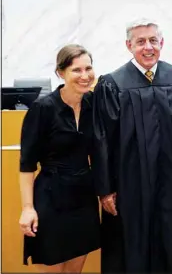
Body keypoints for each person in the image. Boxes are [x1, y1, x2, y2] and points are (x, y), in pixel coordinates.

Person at [92, 19, 172, 273]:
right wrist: (105, 190)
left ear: (161, 43)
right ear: (129, 45)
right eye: (140, 42)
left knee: (171, 236)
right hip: (130, 186)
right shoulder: (112, 84)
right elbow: (101, 139)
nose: (148, 47)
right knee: (131, 243)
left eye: (153, 41)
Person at [19, 44, 100, 273]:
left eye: (88, 68)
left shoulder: (93, 104)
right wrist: (27, 208)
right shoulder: (42, 109)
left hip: (83, 199)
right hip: (51, 200)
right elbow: (26, 164)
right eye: (76, 70)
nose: (85, 76)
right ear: (60, 73)